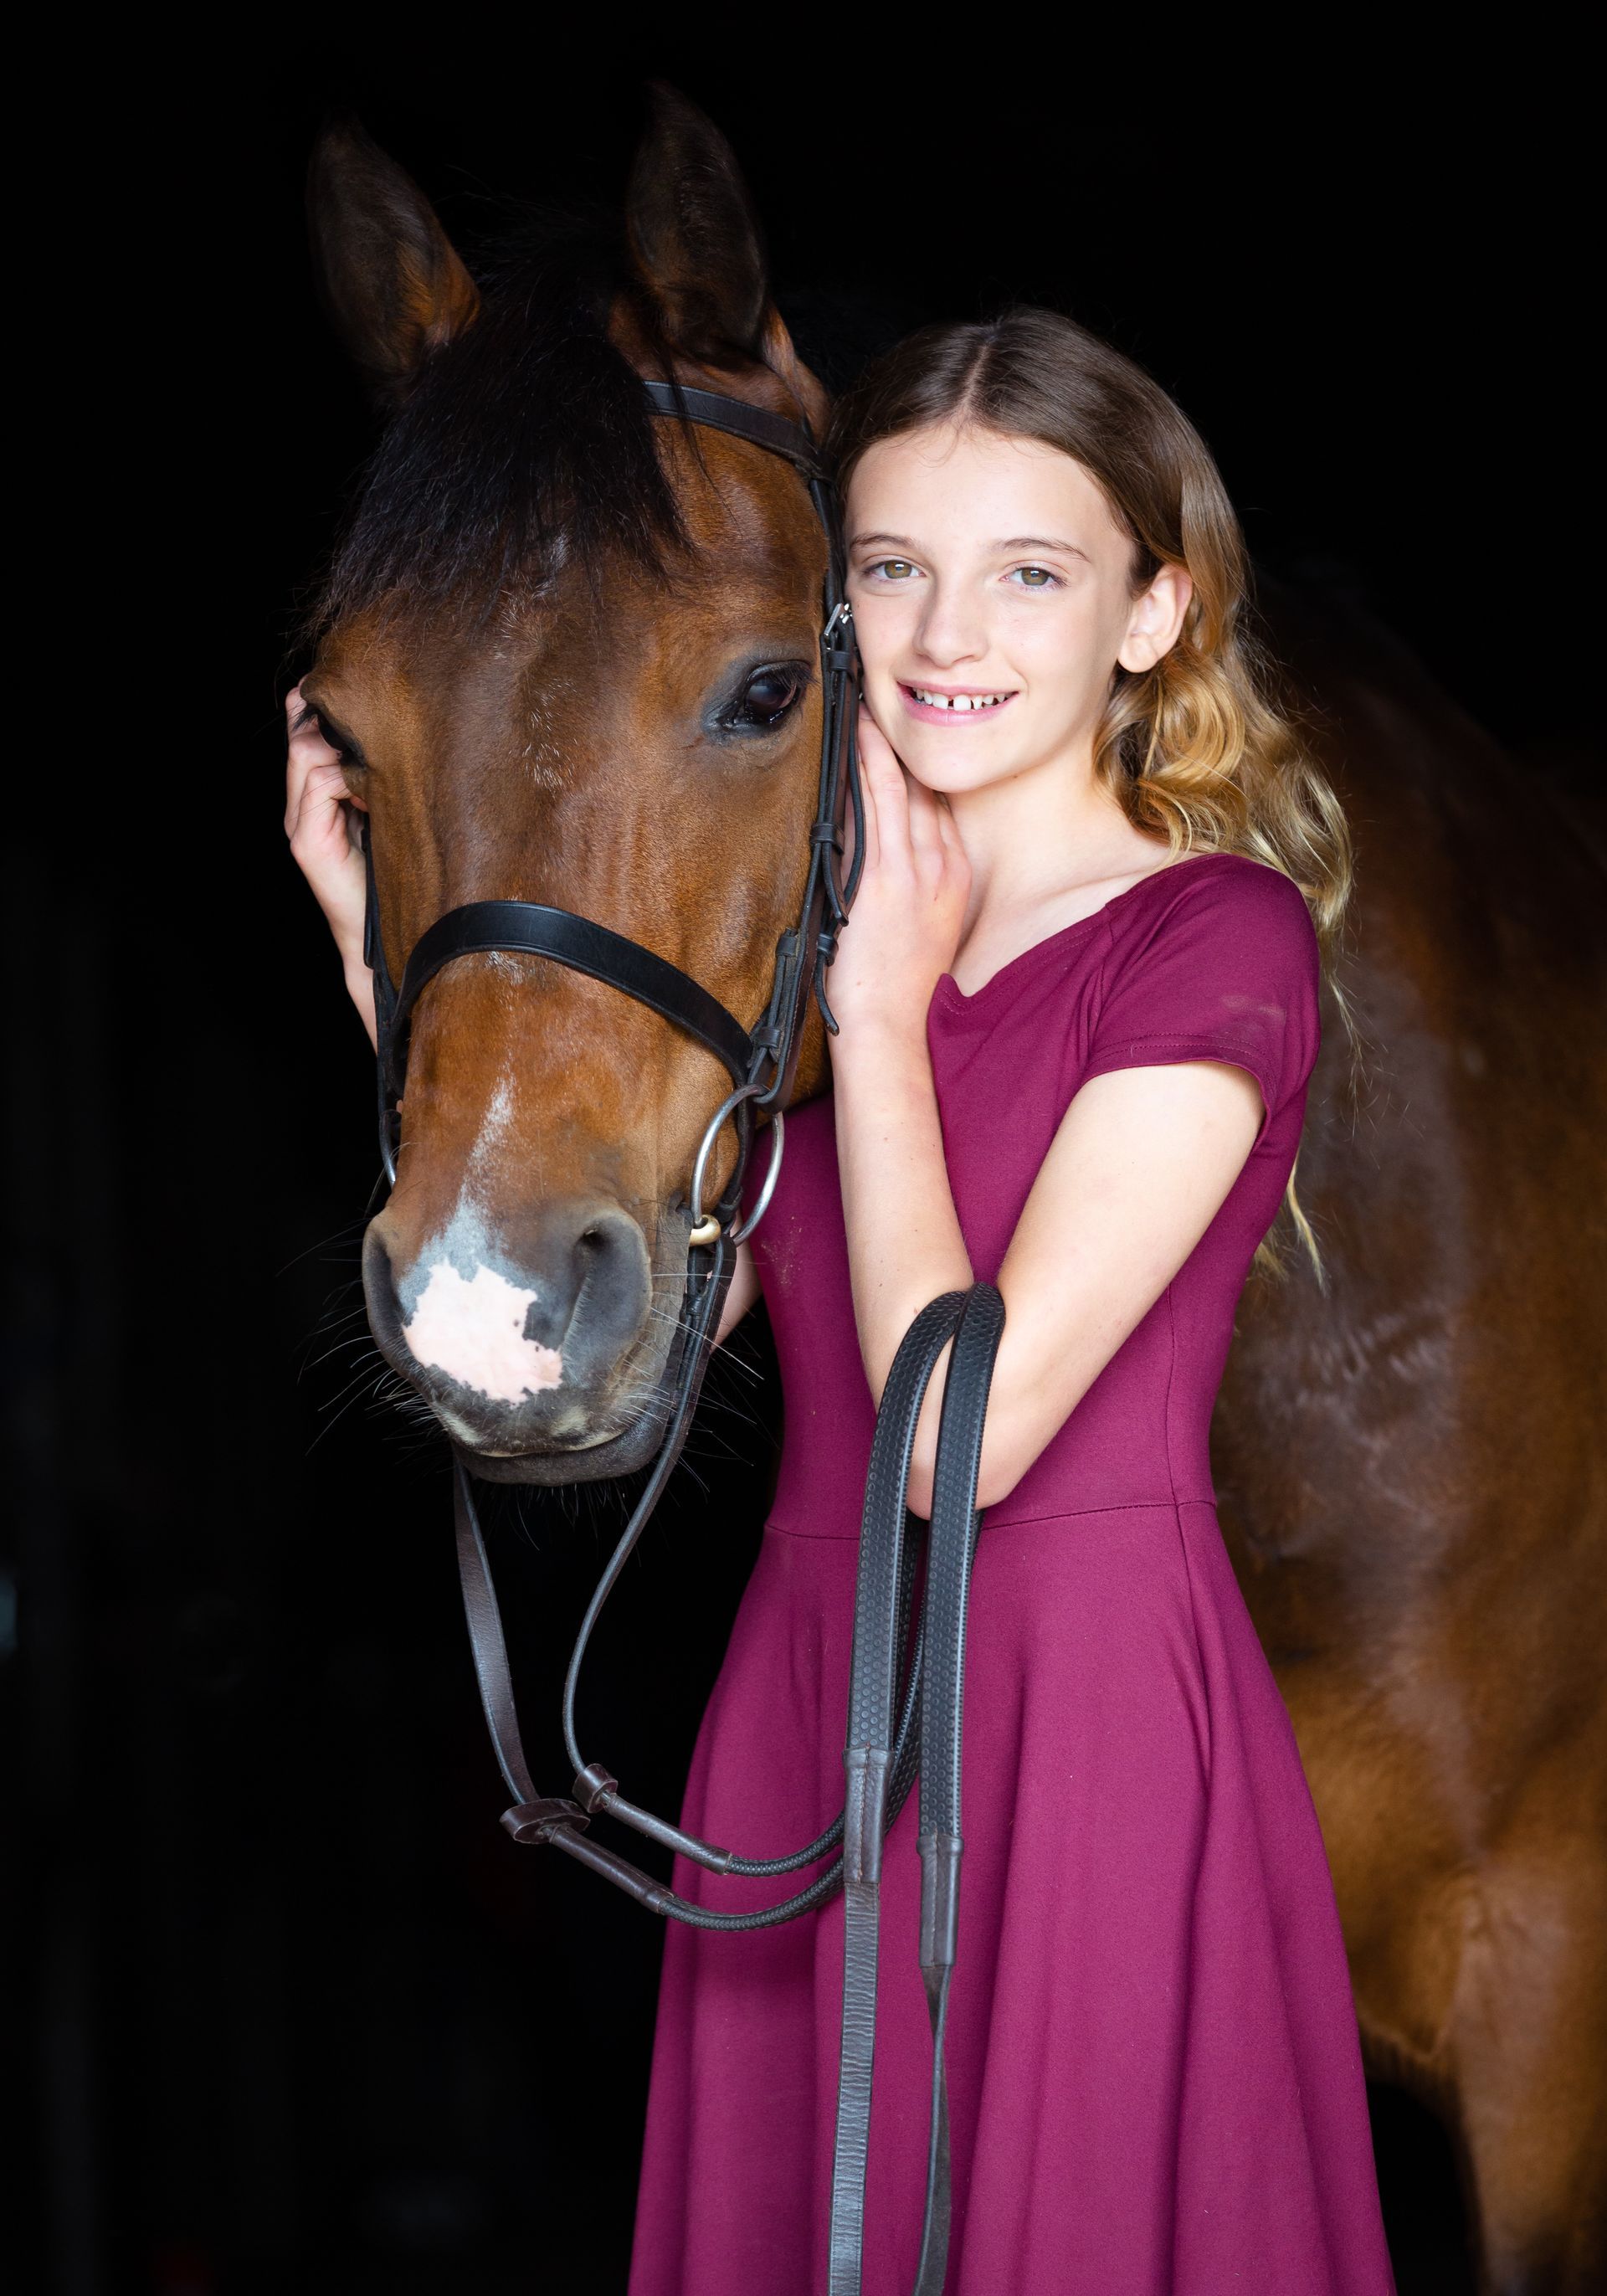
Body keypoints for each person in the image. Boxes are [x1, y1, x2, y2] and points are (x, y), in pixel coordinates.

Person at [288, 307, 1396, 2295]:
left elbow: (961, 1438)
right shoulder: (806, 961)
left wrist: (878, 1015)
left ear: (1150, 615)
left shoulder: (1205, 939)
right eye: (892, 569)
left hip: (1084, 1733)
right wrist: (387, 970)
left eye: (1029, 575)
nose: (950, 635)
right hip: (807, 1719)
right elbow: (605, 1361)